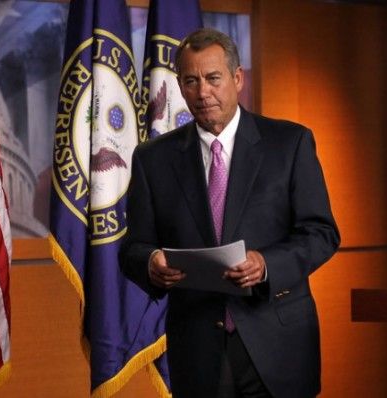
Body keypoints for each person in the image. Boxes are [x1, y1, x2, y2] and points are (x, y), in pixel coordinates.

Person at [119, 28, 339, 398]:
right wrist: (152, 262)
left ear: (237, 79)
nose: (202, 92)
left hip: (279, 344)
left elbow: (321, 233)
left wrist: (266, 265)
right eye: (190, 81)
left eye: (213, 78)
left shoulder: (290, 144)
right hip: (199, 350)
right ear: (180, 85)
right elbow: (132, 248)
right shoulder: (152, 159)